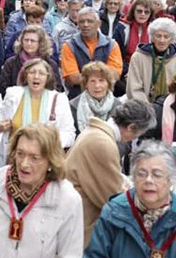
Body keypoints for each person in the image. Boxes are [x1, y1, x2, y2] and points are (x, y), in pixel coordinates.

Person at [0, 124, 84, 258]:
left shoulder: (68, 200)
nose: (24, 164)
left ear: (51, 162)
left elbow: (70, 255)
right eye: (20, 154)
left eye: (34, 158)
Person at [85, 140, 176, 258]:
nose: (148, 180)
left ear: (171, 179)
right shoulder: (113, 214)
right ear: (133, 177)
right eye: (142, 174)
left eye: (157, 174)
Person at [66, 99, 157, 246]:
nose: (136, 138)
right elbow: (112, 197)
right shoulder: (102, 142)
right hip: (83, 224)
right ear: (131, 127)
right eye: (139, 134)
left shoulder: (96, 134)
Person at [0, 58, 76, 150]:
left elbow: (69, 134)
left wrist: (48, 143)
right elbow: (0, 114)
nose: (36, 76)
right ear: (26, 75)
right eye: (32, 72)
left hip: (45, 156)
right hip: (13, 155)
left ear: (48, 77)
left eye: (41, 73)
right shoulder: (13, 94)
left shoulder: (59, 99)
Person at [60, 7, 124, 99]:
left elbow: (115, 75)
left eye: (90, 21)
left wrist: (87, 78)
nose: (85, 25)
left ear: (98, 24)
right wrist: (102, 77)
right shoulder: (69, 45)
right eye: (82, 21)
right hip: (78, 96)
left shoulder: (111, 44)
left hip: (106, 95)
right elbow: (72, 78)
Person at [126, 18, 176, 103]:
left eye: (166, 36)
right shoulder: (138, 57)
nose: (162, 40)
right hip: (142, 107)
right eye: (158, 36)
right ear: (152, 37)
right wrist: (147, 109)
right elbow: (134, 88)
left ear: (171, 39)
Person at [69, 61, 121, 135]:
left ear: (108, 84)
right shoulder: (73, 106)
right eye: (92, 81)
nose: (97, 85)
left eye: (101, 81)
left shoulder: (119, 107)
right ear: (86, 84)